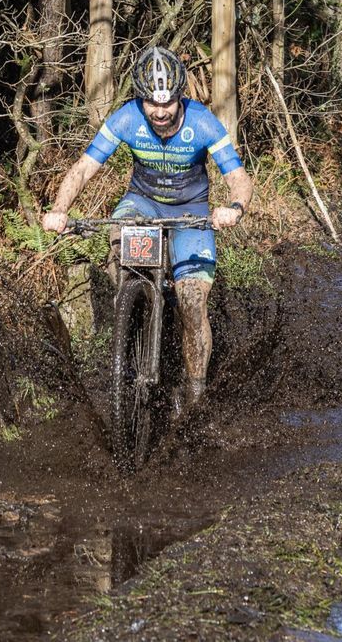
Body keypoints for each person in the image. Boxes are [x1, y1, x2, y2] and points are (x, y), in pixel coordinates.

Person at [41, 46, 255, 419]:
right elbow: (83, 168)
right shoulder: (127, 118)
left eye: (167, 104)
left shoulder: (202, 122)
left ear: (179, 96)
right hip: (142, 203)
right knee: (121, 243)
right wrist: (59, 210)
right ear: (140, 99)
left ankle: (194, 395)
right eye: (151, 104)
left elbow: (238, 178)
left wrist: (234, 208)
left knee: (191, 302)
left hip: (191, 214)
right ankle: (134, 314)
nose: (159, 113)